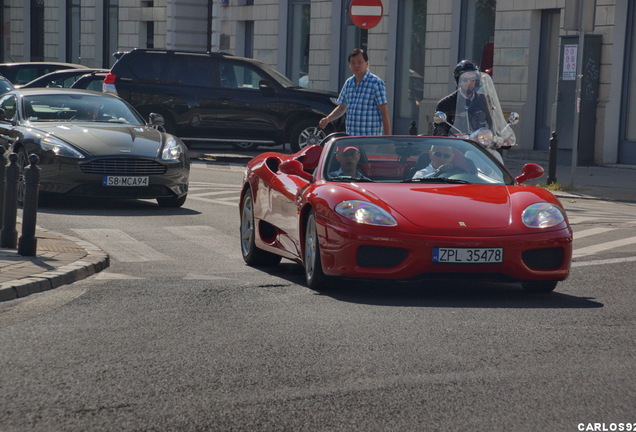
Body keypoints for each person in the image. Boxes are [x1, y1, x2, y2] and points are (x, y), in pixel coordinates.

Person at [319, 48, 391, 136]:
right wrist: (328, 119)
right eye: (353, 62)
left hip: (370, 139)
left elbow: (384, 112)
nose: (356, 65)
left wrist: (388, 138)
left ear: (367, 63)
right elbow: (342, 107)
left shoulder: (376, 83)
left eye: (360, 62)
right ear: (349, 65)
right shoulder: (349, 83)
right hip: (351, 139)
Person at [433, 60, 491, 136]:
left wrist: (502, 136)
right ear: (458, 81)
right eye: (465, 80)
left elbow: (494, 123)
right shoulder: (445, 103)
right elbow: (439, 129)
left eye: (472, 80)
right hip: (455, 144)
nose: (469, 83)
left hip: (480, 142)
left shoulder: (484, 100)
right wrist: (444, 135)